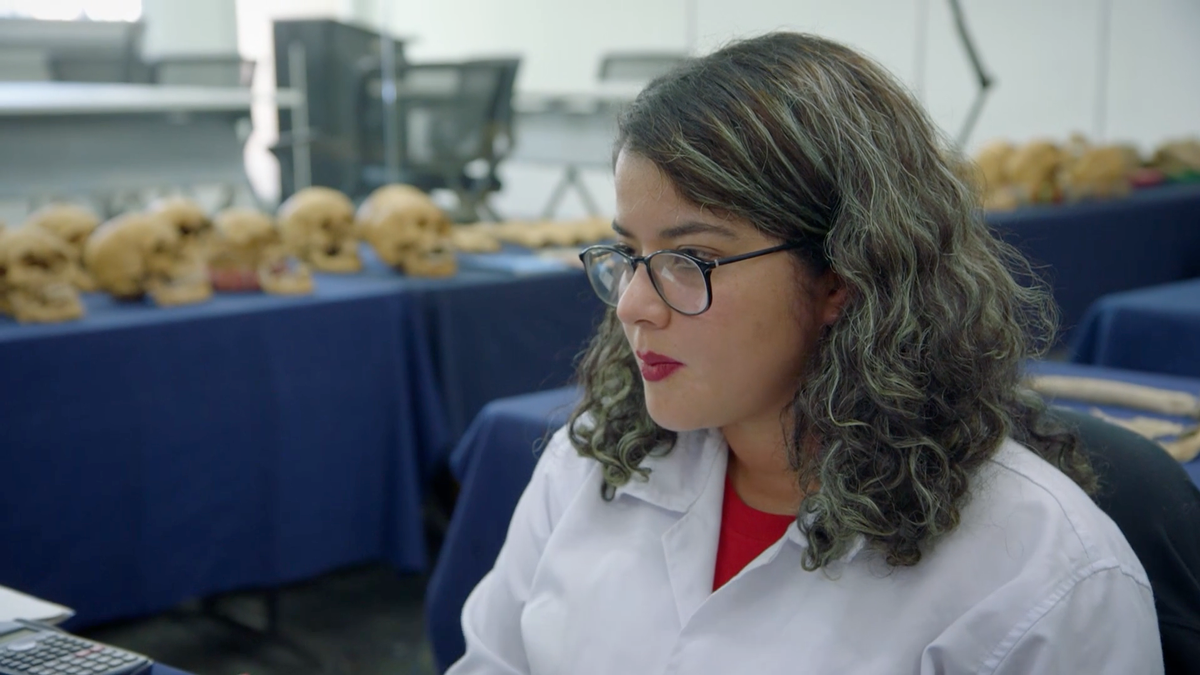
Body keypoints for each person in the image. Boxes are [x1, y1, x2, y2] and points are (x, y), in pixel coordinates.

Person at [447, 32, 1162, 674]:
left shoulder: (1041, 579)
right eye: (629, 253)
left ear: (842, 277)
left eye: (691, 259)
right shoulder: (591, 461)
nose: (633, 303)